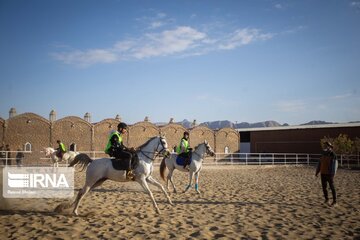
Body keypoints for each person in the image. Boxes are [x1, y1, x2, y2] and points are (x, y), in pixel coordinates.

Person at [315, 141, 338, 206]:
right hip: (323, 173)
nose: (326, 147)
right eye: (325, 146)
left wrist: (333, 174)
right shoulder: (322, 154)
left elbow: (335, 165)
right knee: (324, 187)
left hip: (329, 174)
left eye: (327, 146)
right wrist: (317, 172)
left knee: (332, 187)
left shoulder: (333, 155)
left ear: (330, 147)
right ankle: (327, 199)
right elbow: (319, 164)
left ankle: (335, 201)